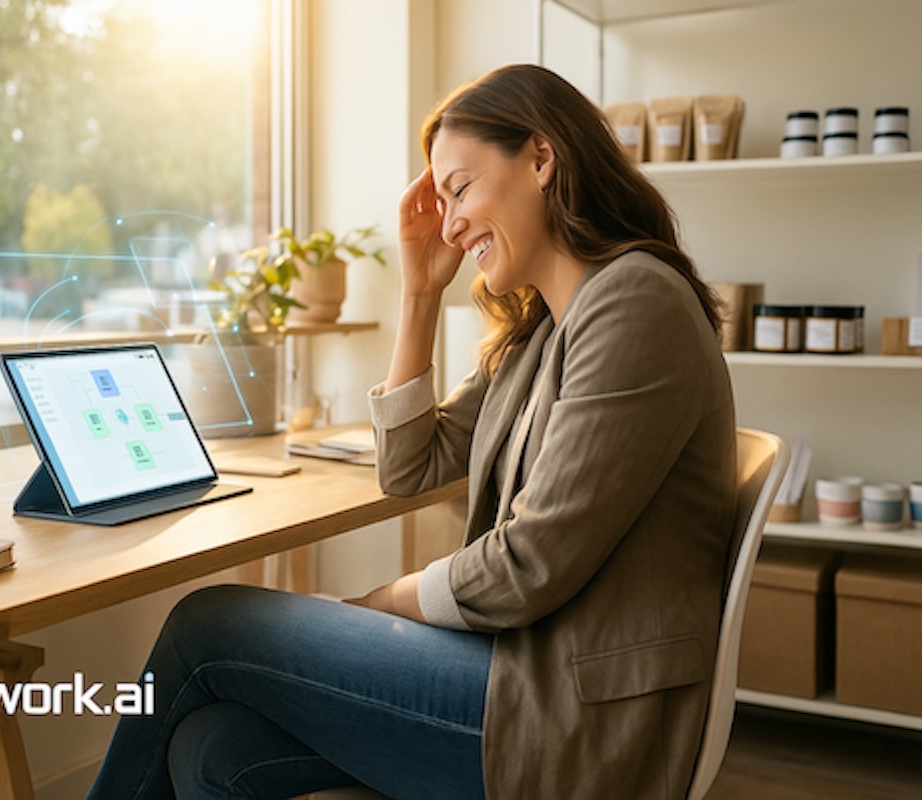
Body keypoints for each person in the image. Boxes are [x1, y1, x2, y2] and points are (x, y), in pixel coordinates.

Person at [88, 63, 736, 800]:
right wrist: (420, 290)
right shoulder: (540, 334)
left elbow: (528, 564)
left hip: (573, 713)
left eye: (460, 188)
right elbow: (410, 466)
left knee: (205, 624)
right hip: (518, 670)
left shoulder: (633, 302)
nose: (451, 222)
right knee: (213, 750)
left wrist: (383, 601)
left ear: (542, 158)